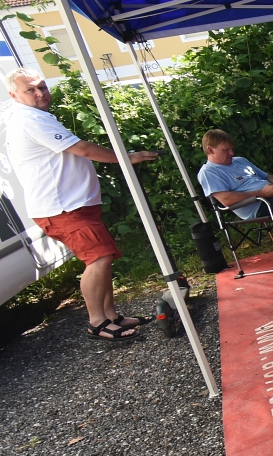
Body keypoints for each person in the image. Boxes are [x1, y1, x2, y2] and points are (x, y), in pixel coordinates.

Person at [3, 67, 158, 341]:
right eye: (30, 90)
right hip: (62, 209)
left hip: (71, 205)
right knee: (99, 258)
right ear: (14, 95)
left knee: (103, 259)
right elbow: (82, 149)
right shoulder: (30, 120)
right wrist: (127, 157)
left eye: (42, 87)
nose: (40, 93)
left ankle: (111, 316)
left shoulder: (34, 116)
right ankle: (97, 322)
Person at [197, 129, 273, 221]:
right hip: (260, 204)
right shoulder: (208, 172)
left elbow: (266, 176)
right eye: (226, 150)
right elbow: (226, 200)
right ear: (210, 150)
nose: (232, 153)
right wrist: (262, 193)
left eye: (232, 149)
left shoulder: (240, 160)